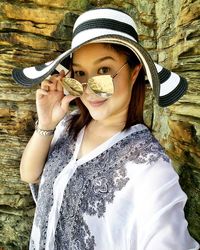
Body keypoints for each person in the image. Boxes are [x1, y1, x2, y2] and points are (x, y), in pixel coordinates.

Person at [12, 7, 199, 250]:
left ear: (134, 72)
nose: (88, 88)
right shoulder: (69, 125)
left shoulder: (150, 169)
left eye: (103, 71)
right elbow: (30, 175)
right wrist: (47, 123)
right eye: (79, 73)